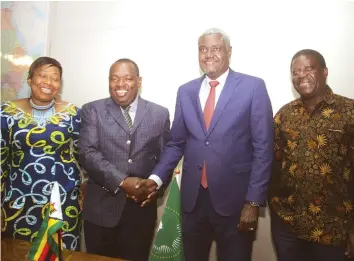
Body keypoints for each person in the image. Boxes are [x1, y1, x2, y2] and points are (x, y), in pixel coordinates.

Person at [138, 28, 274, 261]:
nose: (208, 54)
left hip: (236, 202)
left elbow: (264, 149)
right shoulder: (186, 91)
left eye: (216, 48)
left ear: (229, 52)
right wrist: (156, 178)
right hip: (193, 201)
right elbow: (176, 143)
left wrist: (253, 201)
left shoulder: (253, 87)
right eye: (203, 49)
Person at [78, 58, 170, 261]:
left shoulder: (159, 113)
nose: (120, 85)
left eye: (127, 78)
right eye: (114, 79)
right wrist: (122, 181)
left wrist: (155, 187)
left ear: (139, 81)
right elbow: (87, 152)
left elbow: (166, 158)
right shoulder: (92, 110)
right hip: (101, 210)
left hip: (141, 211)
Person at [268, 49, 354, 261]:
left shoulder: (349, 112)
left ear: (324, 72)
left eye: (308, 68)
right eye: (295, 71)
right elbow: (271, 161)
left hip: (332, 226)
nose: (301, 75)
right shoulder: (285, 114)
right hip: (287, 223)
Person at [0, 56, 82, 250]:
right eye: (42, 76)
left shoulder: (72, 113)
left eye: (55, 78)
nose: (48, 82)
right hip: (19, 199)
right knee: (19, 251)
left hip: (62, 198)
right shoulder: (6, 112)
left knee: (60, 251)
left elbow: (84, 155)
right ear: (29, 80)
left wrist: (85, 190)